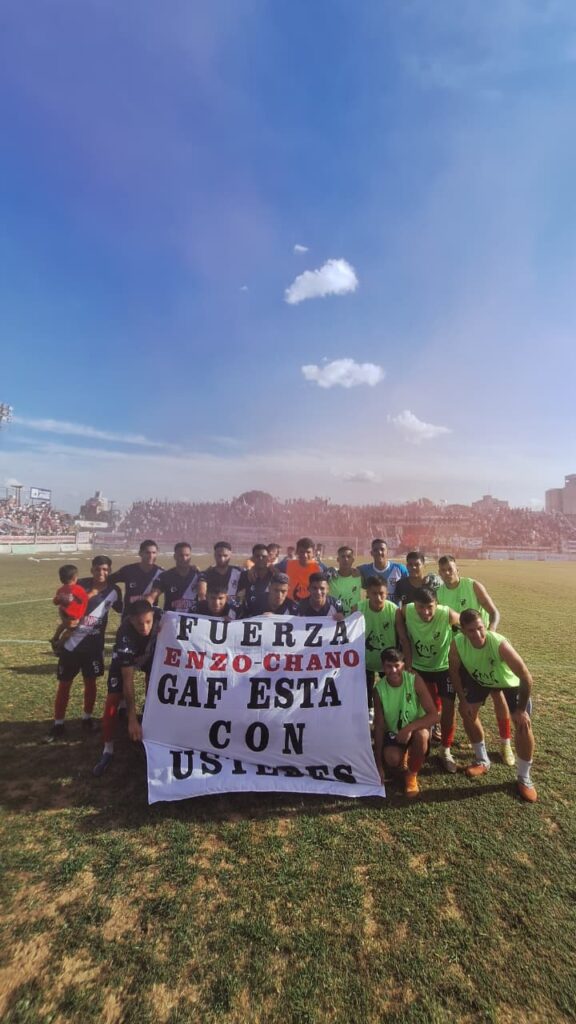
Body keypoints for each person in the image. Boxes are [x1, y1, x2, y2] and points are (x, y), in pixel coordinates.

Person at [449, 609, 537, 802]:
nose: (477, 634)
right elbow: (453, 671)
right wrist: (463, 700)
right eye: (471, 630)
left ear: (484, 625)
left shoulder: (499, 644)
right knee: (466, 712)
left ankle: (524, 778)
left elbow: (526, 677)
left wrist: (521, 710)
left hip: (509, 683)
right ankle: (482, 760)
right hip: (480, 680)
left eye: (480, 628)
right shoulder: (457, 643)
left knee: (523, 725)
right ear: (463, 631)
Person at [437, 555, 513, 766]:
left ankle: (505, 743)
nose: (447, 573)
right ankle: (478, 746)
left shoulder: (472, 586)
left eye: (450, 569)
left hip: (484, 649)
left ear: (457, 569)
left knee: (497, 694)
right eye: (443, 570)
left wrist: (490, 635)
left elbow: (494, 612)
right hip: (461, 652)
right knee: (468, 704)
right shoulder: (440, 593)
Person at [47, 556, 122, 742]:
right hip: (71, 646)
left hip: (94, 647)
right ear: (91, 570)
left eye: (105, 569)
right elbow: (63, 604)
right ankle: (58, 723)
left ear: (110, 570)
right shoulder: (79, 584)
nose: (101, 573)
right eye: (97, 569)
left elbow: (123, 610)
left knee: (90, 683)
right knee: (64, 684)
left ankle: (87, 719)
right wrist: (65, 620)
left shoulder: (114, 590)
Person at [396, 587, 461, 773]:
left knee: (448, 707)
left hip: (443, 668)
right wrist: (404, 642)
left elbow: (466, 626)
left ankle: (445, 750)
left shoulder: (447, 614)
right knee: (414, 708)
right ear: (414, 605)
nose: (425, 612)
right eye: (420, 607)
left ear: (437, 604)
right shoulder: (407, 610)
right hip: (419, 668)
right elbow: (399, 617)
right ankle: (409, 747)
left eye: (430, 607)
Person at [93, 600, 160, 776]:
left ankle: (151, 735)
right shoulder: (124, 634)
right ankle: (108, 749)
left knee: (155, 694)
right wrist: (132, 718)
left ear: (153, 616)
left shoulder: (161, 615)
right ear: (130, 620)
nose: (145, 627)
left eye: (148, 622)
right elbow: (128, 680)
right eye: (139, 623)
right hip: (126, 658)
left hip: (149, 656)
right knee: (113, 700)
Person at [373, 647, 440, 797]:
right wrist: (378, 764)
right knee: (391, 759)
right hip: (395, 733)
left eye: (397, 665)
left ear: (403, 665)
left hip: (415, 730)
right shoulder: (379, 690)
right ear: (383, 667)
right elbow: (379, 727)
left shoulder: (414, 679)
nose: (393, 670)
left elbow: (434, 716)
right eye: (389, 666)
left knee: (422, 736)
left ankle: (411, 774)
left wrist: (409, 728)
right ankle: (403, 754)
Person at [358, 577, 398, 713]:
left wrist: (403, 659)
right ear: (367, 593)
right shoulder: (358, 609)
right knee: (366, 690)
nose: (378, 597)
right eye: (374, 593)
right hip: (365, 660)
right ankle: (368, 711)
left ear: (387, 593)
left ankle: (389, 713)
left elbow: (403, 637)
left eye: (381, 593)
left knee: (390, 690)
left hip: (388, 660)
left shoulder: (394, 610)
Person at [109, 539, 164, 617]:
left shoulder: (161, 574)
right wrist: (116, 601)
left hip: (149, 618)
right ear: (140, 553)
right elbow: (107, 581)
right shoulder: (128, 570)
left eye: (154, 553)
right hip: (129, 616)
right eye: (147, 552)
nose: (151, 556)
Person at [146, 541, 200, 613]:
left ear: (190, 556)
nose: (184, 558)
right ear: (175, 556)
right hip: (171, 618)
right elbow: (152, 596)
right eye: (181, 555)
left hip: (192, 618)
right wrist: (144, 606)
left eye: (187, 555)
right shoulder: (165, 576)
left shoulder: (198, 575)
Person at [50, 564, 89, 653]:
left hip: (64, 612)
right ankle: (59, 645)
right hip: (73, 615)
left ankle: (55, 637)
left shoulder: (60, 590)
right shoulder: (78, 589)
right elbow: (85, 599)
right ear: (75, 578)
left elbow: (56, 601)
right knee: (70, 631)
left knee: (63, 624)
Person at [357, 539, 408, 604]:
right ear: (371, 553)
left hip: (394, 609)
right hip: (373, 610)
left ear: (387, 552)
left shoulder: (400, 569)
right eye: (375, 550)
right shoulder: (363, 570)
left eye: (382, 549)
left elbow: (410, 586)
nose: (379, 552)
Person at [277, 537, 325, 602]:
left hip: (310, 605)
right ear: (297, 552)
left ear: (313, 553)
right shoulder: (287, 564)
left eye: (308, 552)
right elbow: (271, 567)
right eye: (301, 552)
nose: (305, 555)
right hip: (290, 604)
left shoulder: (319, 568)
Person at [237, 544, 275, 616]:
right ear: (252, 558)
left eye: (264, 556)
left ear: (268, 558)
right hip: (249, 616)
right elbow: (238, 596)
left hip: (269, 617)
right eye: (257, 556)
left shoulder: (274, 574)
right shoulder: (245, 575)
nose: (260, 558)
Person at [329, 546, 362, 614]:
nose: (346, 559)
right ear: (338, 559)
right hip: (335, 618)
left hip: (354, 618)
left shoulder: (359, 576)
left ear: (353, 560)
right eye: (343, 556)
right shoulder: (331, 578)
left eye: (348, 556)